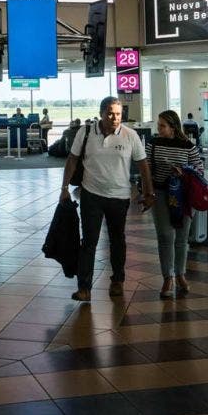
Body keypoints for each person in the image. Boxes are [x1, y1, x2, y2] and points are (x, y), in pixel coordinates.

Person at [63, 96, 154, 301]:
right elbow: (72, 159)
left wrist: (149, 193)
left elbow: (143, 165)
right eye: (110, 113)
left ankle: (118, 280)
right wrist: (64, 187)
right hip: (91, 195)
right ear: (101, 113)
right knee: (89, 242)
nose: (115, 118)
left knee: (117, 240)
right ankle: (84, 287)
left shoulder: (130, 136)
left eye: (118, 114)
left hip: (119, 197)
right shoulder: (85, 132)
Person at [146, 110, 204, 298]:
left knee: (182, 235)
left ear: (173, 127)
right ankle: (167, 276)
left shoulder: (188, 146)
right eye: (159, 125)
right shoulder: (153, 144)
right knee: (165, 234)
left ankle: (180, 273)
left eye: (162, 125)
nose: (159, 129)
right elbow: (146, 166)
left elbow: (199, 169)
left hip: (184, 195)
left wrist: (184, 172)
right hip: (161, 192)